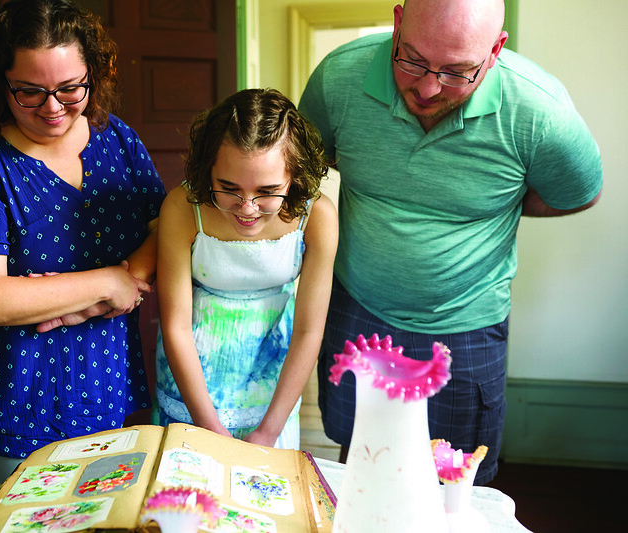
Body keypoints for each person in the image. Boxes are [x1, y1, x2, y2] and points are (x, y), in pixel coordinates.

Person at [298, 0, 602, 484]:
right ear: (397, 23)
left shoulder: (540, 112)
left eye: (458, 72)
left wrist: (496, 205)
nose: (427, 87)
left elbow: (577, 193)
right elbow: (307, 161)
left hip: (466, 323)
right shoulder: (338, 79)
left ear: (496, 50)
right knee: (360, 465)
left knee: (457, 483)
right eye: (412, 59)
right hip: (357, 306)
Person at [0, 0, 166, 484]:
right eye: (30, 92)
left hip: (105, 374)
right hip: (16, 393)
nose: (53, 107)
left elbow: (167, 227)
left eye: (70, 88)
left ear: (93, 75)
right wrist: (108, 282)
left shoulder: (117, 140)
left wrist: (102, 295)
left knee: (100, 510)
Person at [154, 88, 338, 449]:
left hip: (273, 383)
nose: (248, 208)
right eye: (229, 188)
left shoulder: (317, 217)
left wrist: (270, 430)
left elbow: (309, 331)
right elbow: (175, 326)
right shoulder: (181, 207)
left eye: (267, 190)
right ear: (208, 169)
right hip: (192, 383)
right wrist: (208, 425)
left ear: (295, 175)